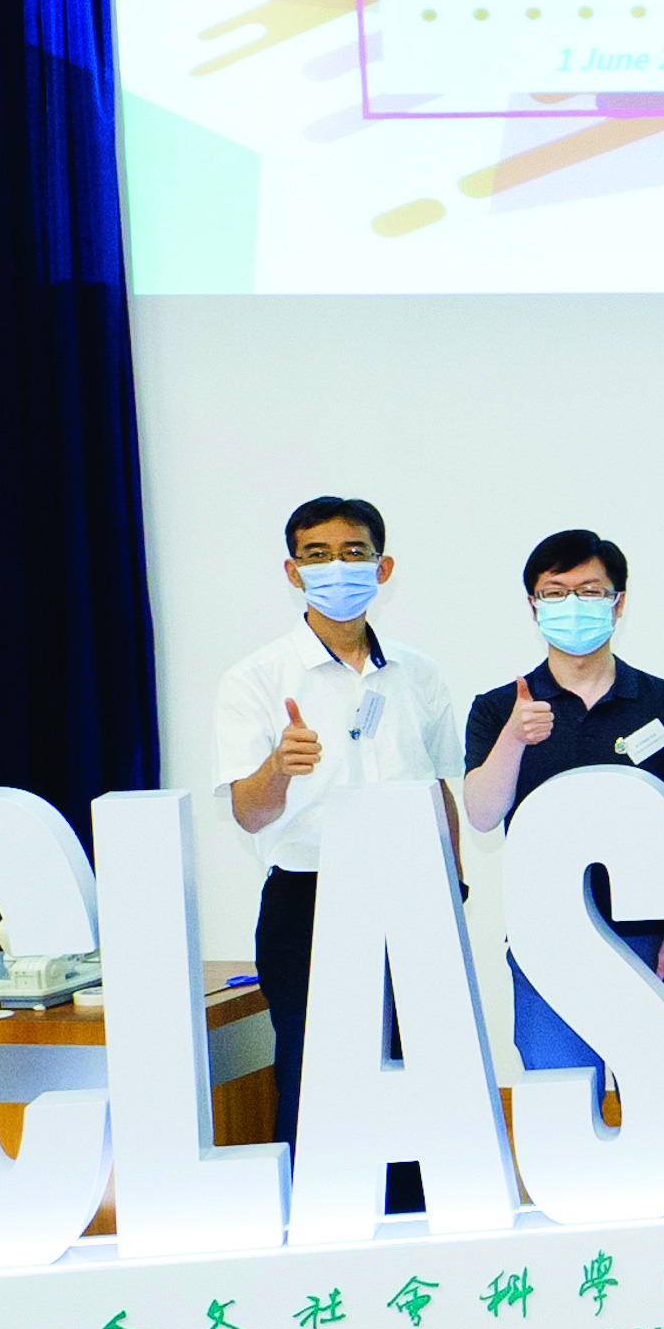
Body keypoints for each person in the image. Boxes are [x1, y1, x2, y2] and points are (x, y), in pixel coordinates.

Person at [211, 494, 463, 1195]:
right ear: (293, 572)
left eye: (352, 552)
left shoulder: (419, 672)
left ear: (383, 567)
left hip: (415, 891)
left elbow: (439, 786)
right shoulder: (255, 679)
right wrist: (277, 768)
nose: (336, 568)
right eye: (316, 555)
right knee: (315, 1075)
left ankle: (417, 1225)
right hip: (309, 898)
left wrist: (456, 887)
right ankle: (315, 1234)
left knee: (421, 1068)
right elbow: (248, 814)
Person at [457, 527, 664, 1113]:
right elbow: (480, 813)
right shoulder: (500, 707)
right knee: (561, 1101)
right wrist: (513, 742)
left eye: (590, 590)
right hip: (547, 936)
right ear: (532, 605)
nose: (573, 605)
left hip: (652, 935)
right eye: (555, 593)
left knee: (662, 1098)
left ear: (618, 602)